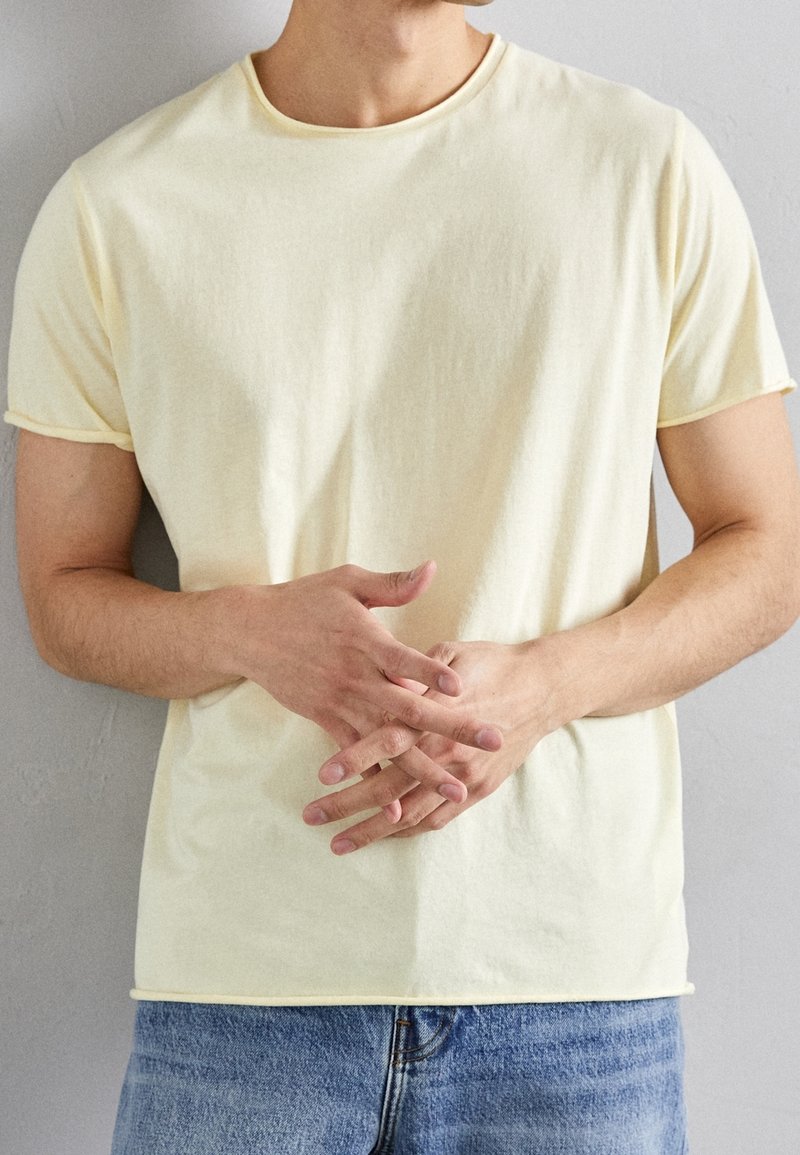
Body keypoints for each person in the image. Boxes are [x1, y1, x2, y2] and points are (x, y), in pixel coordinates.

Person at [5, 0, 799, 1151]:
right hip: (244, 988)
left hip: (573, 985)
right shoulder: (116, 206)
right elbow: (63, 597)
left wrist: (545, 686)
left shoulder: (644, 165)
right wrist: (247, 634)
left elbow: (766, 550)